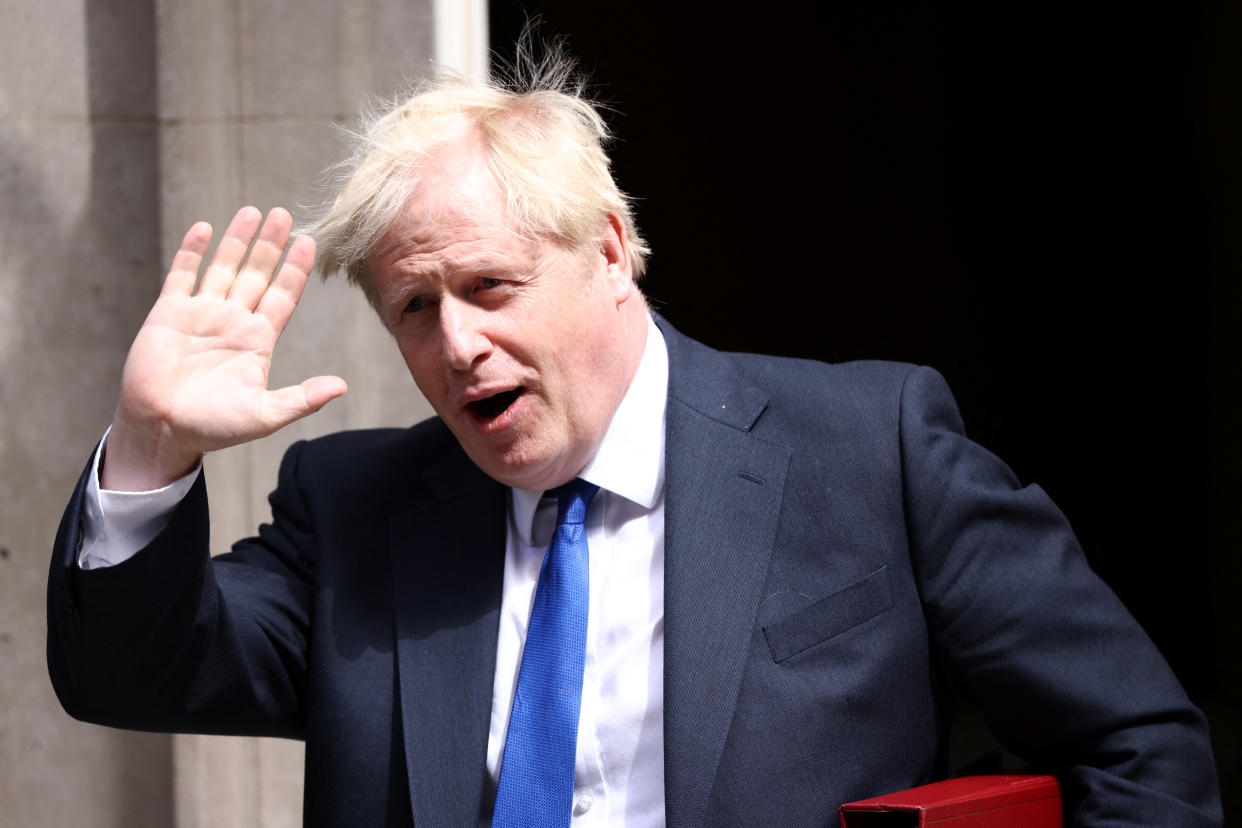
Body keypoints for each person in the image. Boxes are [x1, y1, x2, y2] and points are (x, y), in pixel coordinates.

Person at [48, 54, 1221, 827]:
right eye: (416, 307)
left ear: (611, 250)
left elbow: (1139, 750)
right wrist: (152, 447)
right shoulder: (352, 508)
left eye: (491, 286)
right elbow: (129, 670)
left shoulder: (872, 448)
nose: (458, 344)